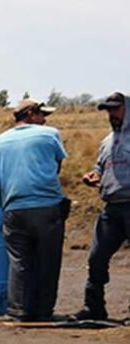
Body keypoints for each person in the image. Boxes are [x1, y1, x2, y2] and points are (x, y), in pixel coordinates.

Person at [0, 98, 68, 322]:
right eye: (42, 114)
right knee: (48, 260)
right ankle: (44, 311)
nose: (45, 120)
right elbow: (56, 166)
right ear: (31, 113)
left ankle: (18, 311)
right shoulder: (49, 135)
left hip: (14, 209)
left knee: (19, 261)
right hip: (47, 208)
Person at [75, 92, 130, 321]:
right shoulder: (106, 141)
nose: (111, 114)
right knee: (96, 258)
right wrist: (94, 175)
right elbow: (100, 166)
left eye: (115, 109)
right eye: (108, 110)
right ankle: (94, 308)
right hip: (111, 207)